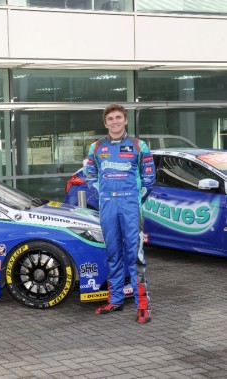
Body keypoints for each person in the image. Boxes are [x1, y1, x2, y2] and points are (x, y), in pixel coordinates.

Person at [85, 103, 155, 324]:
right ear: (105, 123)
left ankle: (143, 305)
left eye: (118, 118)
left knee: (135, 256)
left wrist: (134, 201)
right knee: (113, 254)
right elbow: (90, 177)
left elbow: (149, 179)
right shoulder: (95, 148)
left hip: (131, 206)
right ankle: (115, 299)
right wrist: (105, 196)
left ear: (125, 120)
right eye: (110, 119)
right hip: (108, 207)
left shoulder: (139, 145)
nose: (114, 122)